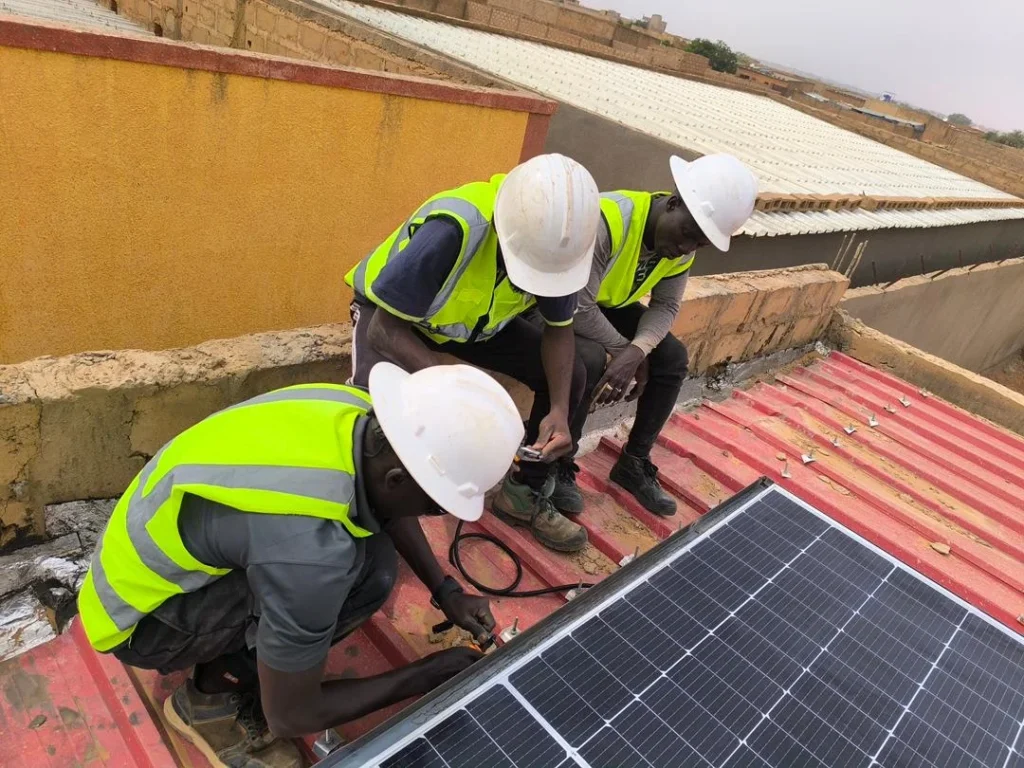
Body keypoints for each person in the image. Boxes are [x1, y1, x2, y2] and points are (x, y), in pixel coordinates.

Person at [78, 363, 525, 768]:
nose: (432, 514)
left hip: (134, 555)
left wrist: (446, 590)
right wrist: (427, 674)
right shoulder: (309, 556)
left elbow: (392, 500)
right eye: (433, 505)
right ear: (397, 478)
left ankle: (249, 655)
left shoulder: (358, 413)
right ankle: (209, 701)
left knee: (374, 565)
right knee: (347, 575)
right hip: (139, 619)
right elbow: (293, 716)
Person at [344, 153, 601, 553]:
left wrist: (561, 412)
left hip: (469, 326)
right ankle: (366, 528)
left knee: (573, 375)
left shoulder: (560, 248)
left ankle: (522, 494)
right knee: (374, 422)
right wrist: (452, 392)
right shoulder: (455, 228)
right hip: (396, 318)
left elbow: (558, 332)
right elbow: (384, 329)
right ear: (507, 228)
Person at [555, 154, 758, 516]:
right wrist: (622, 351)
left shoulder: (680, 249)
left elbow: (665, 308)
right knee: (587, 358)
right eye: (685, 234)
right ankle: (559, 464)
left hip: (603, 304)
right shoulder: (609, 220)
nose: (685, 249)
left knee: (671, 358)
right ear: (673, 203)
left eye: (698, 244)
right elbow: (579, 307)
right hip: (558, 302)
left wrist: (638, 351)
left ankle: (633, 462)